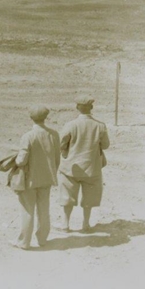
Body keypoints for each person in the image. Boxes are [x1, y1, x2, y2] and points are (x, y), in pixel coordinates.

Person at [11, 106, 60, 250]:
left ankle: (24, 242)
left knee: (27, 210)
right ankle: (42, 239)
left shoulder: (28, 136)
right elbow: (57, 159)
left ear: (31, 118)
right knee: (44, 210)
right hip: (47, 178)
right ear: (46, 117)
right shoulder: (54, 134)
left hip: (29, 180)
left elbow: (21, 161)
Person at [58, 97, 110, 232]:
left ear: (77, 108)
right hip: (92, 168)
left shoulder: (70, 125)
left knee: (67, 197)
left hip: (71, 168)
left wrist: (65, 152)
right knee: (90, 198)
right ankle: (85, 224)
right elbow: (105, 145)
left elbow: (61, 144)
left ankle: (65, 224)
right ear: (91, 108)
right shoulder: (100, 126)